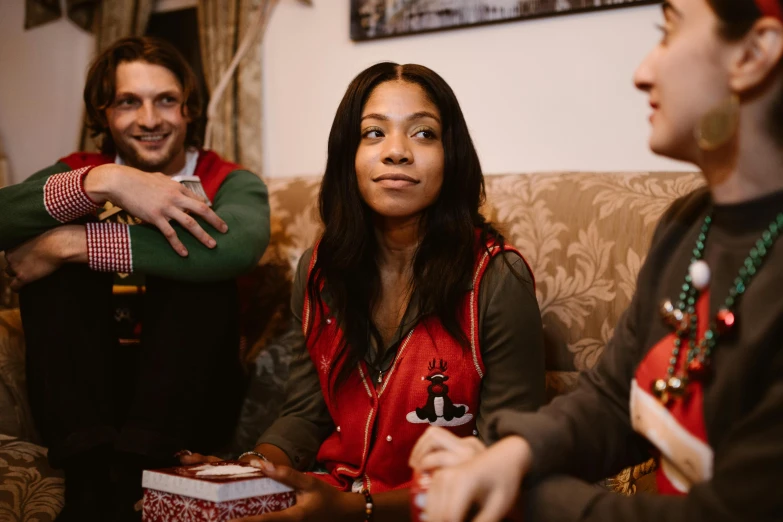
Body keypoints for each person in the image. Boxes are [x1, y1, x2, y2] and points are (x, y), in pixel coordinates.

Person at [409, 0, 783, 520]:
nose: (642, 72)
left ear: (754, 52)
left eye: (668, 30)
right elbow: (612, 399)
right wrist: (511, 454)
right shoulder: (688, 224)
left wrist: (517, 490)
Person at [182, 62, 546, 521]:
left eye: (423, 133)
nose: (396, 152)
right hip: (332, 495)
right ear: (346, 155)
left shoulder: (498, 278)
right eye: (373, 133)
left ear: (452, 155)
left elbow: (506, 461)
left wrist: (358, 509)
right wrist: (249, 472)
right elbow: (304, 413)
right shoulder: (319, 272)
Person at [0, 36, 270, 521]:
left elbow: (236, 249)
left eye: (165, 100)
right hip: (83, 402)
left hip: (191, 401)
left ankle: (137, 471)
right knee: (58, 273)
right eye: (129, 102)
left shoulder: (230, 180)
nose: (149, 120)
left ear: (188, 110)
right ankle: (90, 484)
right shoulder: (79, 172)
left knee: (198, 259)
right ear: (104, 114)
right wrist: (105, 182)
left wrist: (71, 245)